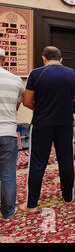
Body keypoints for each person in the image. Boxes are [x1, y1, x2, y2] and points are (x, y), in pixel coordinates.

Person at [19, 46, 75, 214]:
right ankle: (68, 197)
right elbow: (74, 97)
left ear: (44, 58)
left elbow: (27, 101)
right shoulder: (73, 73)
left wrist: (41, 108)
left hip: (42, 123)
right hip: (66, 123)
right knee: (66, 160)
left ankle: (31, 204)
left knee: (37, 162)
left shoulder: (36, 73)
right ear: (61, 59)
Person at [0, 49, 24, 220]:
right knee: (8, 174)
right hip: (8, 132)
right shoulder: (15, 80)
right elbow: (16, 106)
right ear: (4, 60)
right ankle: (7, 212)